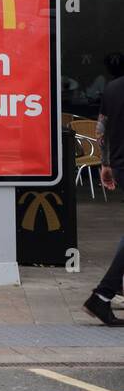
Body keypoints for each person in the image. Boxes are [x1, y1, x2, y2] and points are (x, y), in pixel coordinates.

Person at [86, 52, 124, 326]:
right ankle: (103, 294)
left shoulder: (112, 88)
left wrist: (105, 164)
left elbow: (101, 130)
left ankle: (108, 292)